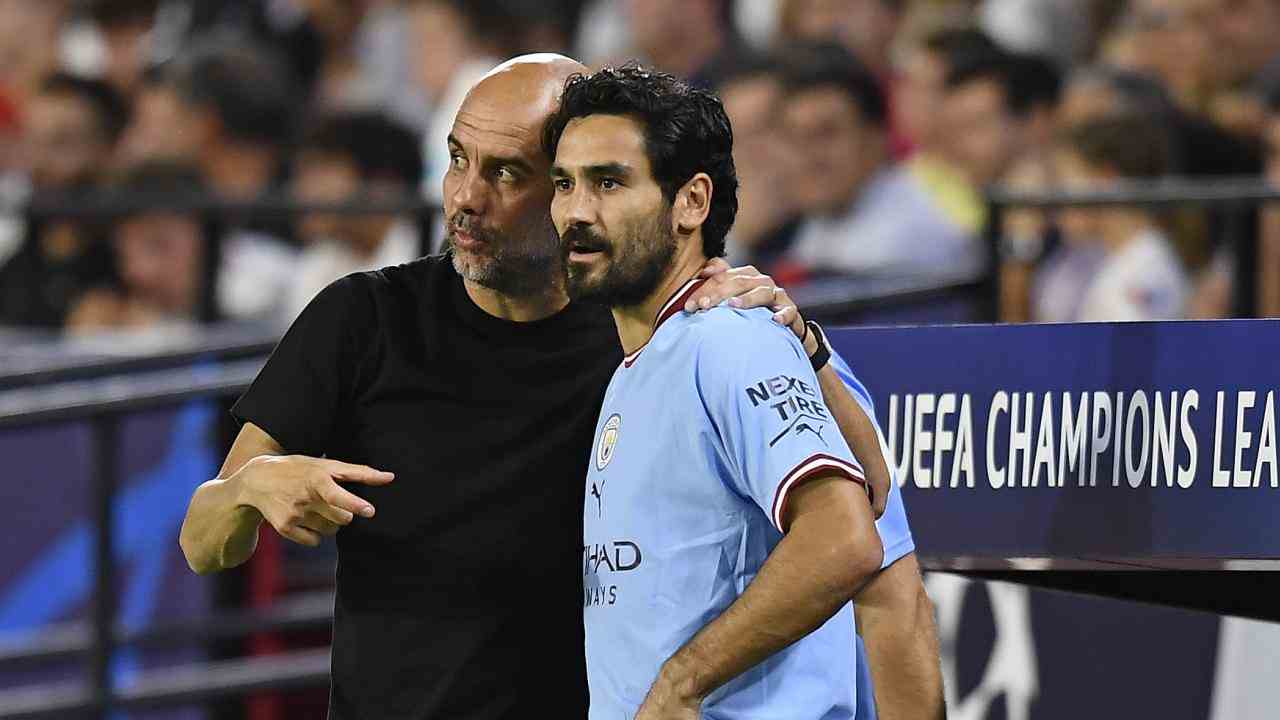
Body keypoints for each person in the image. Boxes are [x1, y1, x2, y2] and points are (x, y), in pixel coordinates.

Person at [177, 54, 876, 719]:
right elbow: (204, 543)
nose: (464, 198)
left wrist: (805, 347)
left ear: (567, 190)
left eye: (507, 173)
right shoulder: (362, 318)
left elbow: (862, 511)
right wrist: (248, 487)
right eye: (456, 159)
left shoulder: (648, 334)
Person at [546, 63, 888, 718]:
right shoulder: (642, 362)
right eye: (565, 185)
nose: (577, 212)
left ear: (692, 202)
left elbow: (844, 538)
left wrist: (684, 681)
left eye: (609, 183)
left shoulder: (727, 340)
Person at [282, 112, 424, 324]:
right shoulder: (317, 264)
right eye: (302, 175)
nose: (300, 191)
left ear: (383, 183)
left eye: (320, 172)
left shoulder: (433, 258)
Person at [1054, 113, 1189, 321]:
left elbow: (1136, 352)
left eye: (1066, 182)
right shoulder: (1123, 260)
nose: (1057, 200)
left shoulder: (1143, 270)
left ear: (1105, 179)